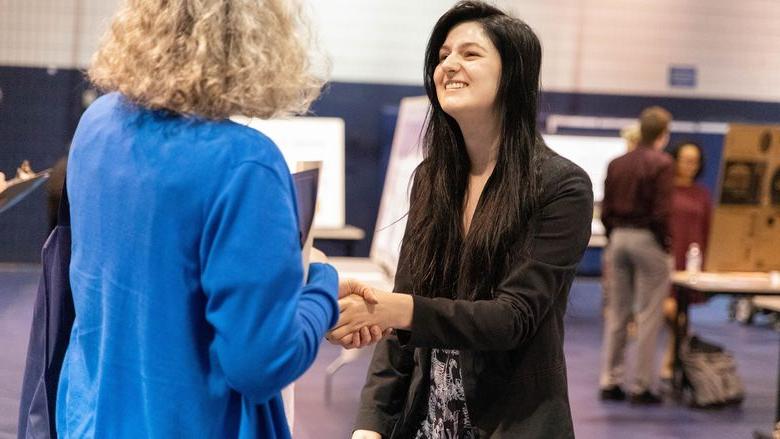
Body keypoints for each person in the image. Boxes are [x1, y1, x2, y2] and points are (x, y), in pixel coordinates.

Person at [56, 1, 344, 437]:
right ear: (258, 35)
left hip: (90, 417)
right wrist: (323, 284)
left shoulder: (96, 123)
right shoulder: (246, 165)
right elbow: (262, 363)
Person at [330, 2, 593, 437]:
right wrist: (370, 426)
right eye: (442, 55)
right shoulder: (432, 178)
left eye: (470, 54)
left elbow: (512, 319)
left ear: (514, 74)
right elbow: (404, 318)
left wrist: (392, 308)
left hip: (512, 424)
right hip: (428, 423)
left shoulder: (561, 186)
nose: (449, 65)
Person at [599, 106, 674, 404]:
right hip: (647, 239)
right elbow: (662, 212)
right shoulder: (663, 163)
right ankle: (642, 386)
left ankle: (610, 381)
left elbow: (605, 209)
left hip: (618, 238)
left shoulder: (617, 163)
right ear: (663, 134)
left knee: (617, 314)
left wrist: (612, 237)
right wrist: (664, 244)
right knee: (648, 315)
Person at [661, 141, 712, 379]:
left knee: (682, 310)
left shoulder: (702, 194)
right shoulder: (665, 190)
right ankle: (676, 353)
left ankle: (673, 358)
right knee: (669, 309)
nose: (691, 165)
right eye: (686, 160)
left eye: (695, 161)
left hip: (692, 257)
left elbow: (708, 227)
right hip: (667, 255)